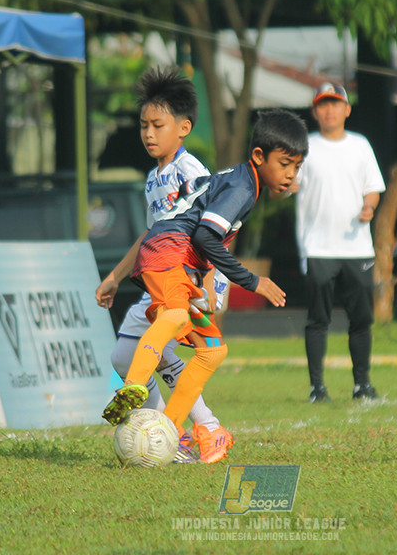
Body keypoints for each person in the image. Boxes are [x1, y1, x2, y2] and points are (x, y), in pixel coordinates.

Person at [101, 109, 308, 441]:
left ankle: (174, 428)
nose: (290, 174)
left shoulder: (242, 181)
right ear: (259, 156)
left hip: (177, 259)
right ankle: (135, 385)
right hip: (169, 253)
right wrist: (253, 281)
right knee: (175, 315)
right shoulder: (242, 187)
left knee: (213, 349)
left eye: (296, 167)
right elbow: (204, 235)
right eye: (285, 164)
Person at [95, 66, 234, 464]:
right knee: (123, 358)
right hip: (161, 278)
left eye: (158, 125)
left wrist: (210, 279)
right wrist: (115, 276)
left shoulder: (191, 172)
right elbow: (151, 237)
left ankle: (195, 431)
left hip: (189, 278)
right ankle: (176, 432)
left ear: (184, 127)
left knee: (156, 350)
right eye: (143, 126)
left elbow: (215, 228)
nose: (148, 134)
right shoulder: (154, 178)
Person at [294, 82, 386, 403]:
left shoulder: (360, 145)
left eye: (336, 104)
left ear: (347, 109)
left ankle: (362, 384)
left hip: (357, 247)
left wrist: (369, 207)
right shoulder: (305, 146)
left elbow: (373, 186)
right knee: (318, 320)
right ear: (315, 111)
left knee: (361, 319)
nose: (329, 110)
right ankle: (316, 388)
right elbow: (289, 184)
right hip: (317, 247)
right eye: (323, 104)